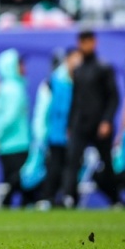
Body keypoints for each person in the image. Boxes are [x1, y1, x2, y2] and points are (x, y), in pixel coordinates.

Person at [61, 30, 120, 208]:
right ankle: (70, 198)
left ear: (94, 43)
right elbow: (75, 99)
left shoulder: (104, 68)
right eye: (82, 42)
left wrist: (107, 121)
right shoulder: (77, 71)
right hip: (80, 124)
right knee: (72, 161)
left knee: (106, 163)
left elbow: (113, 97)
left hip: (99, 124)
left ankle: (115, 199)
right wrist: (70, 124)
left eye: (88, 41)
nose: (85, 45)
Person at [0, 49, 34, 207]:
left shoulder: (8, 88)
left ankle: (10, 204)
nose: (23, 68)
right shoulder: (13, 89)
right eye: (19, 64)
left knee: (14, 180)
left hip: (10, 144)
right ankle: (10, 204)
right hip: (16, 144)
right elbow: (10, 117)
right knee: (17, 180)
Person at [38, 48, 82, 207]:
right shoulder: (54, 81)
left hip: (76, 133)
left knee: (73, 167)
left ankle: (70, 197)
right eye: (74, 58)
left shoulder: (82, 81)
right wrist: (41, 133)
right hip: (56, 132)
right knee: (55, 167)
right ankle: (48, 197)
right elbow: (45, 110)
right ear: (67, 60)